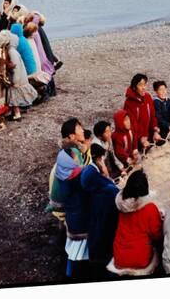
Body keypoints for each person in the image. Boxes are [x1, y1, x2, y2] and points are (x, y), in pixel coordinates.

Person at [107, 170, 162, 276]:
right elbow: (157, 234)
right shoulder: (150, 208)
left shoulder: (121, 205)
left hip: (119, 257)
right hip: (140, 259)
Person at [55, 118, 90, 276]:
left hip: (74, 207)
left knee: (75, 248)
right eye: (79, 129)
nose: (82, 130)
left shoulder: (70, 153)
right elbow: (80, 180)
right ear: (71, 136)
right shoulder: (71, 156)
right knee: (79, 248)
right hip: (77, 209)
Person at [80, 144, 119, 278]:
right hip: (101, 216)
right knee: (104, 245)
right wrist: (108, 177)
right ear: (99, 159)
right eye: (103, 159)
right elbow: (113, 191)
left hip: (92, 215)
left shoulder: (87, 171)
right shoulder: (97, 178)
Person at [5, 31, 39, 121]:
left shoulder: (11, 52)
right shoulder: (14, 51)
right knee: (15, 98)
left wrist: (15, 80)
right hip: (20, 77)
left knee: (15, 99)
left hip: (17, 79)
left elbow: (16, 68)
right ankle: (15, 113)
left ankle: (17, 114)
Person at [123, 73, 161, 151]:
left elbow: (153, 116)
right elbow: (132, 124)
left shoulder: (148, 97)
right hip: (137, 140)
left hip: (149, 137)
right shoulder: (129, 103)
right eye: (140, 85)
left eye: (145, 84)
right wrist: (141, 138)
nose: (144, 88)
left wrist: (155, 130)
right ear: (134, 87)